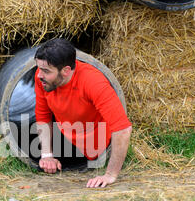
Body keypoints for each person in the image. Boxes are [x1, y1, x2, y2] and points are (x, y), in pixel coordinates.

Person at [34, 38, 132, 188]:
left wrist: (110, 175)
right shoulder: (42, 78)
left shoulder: (93, 82)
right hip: (66, 134)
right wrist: (47, 155)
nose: (39, 75)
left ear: (66, 71)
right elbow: (42, 114)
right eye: (39, 68)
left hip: (97, 142)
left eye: (46, 71)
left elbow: (123, 129)